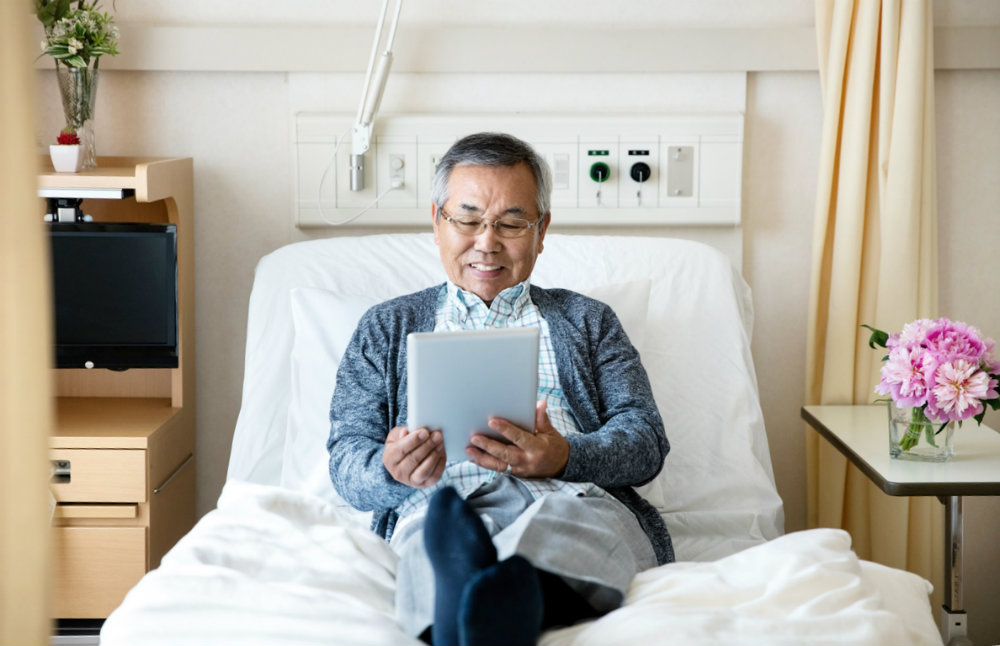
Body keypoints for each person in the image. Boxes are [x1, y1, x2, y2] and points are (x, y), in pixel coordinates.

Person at [328, 132, 672, 646]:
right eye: (467, 220)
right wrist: (391, 469)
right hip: (440, 500)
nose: (487, 242)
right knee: (430, 533)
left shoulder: (590, 322)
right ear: (437, 222)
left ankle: (480, 608)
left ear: (541, 230)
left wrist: (564, 456)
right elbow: (345, 457)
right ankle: (506, 599)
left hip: (567, 497)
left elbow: (646, 440)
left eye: (511, 223)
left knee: (577, 527)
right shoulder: (386, 327)